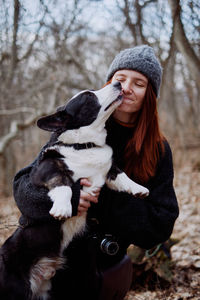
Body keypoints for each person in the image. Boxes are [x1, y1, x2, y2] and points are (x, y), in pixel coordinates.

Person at [13, 45, 179, 300]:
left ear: (150, 95)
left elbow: (160, 224)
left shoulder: (158, 149)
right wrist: (67, 198)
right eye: (119, 79)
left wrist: (104, 198)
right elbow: (23, 186)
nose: (126, 88)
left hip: (98, 267)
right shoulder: (80, 123)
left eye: (139, 83)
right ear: (109, 82)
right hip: (41, 255)